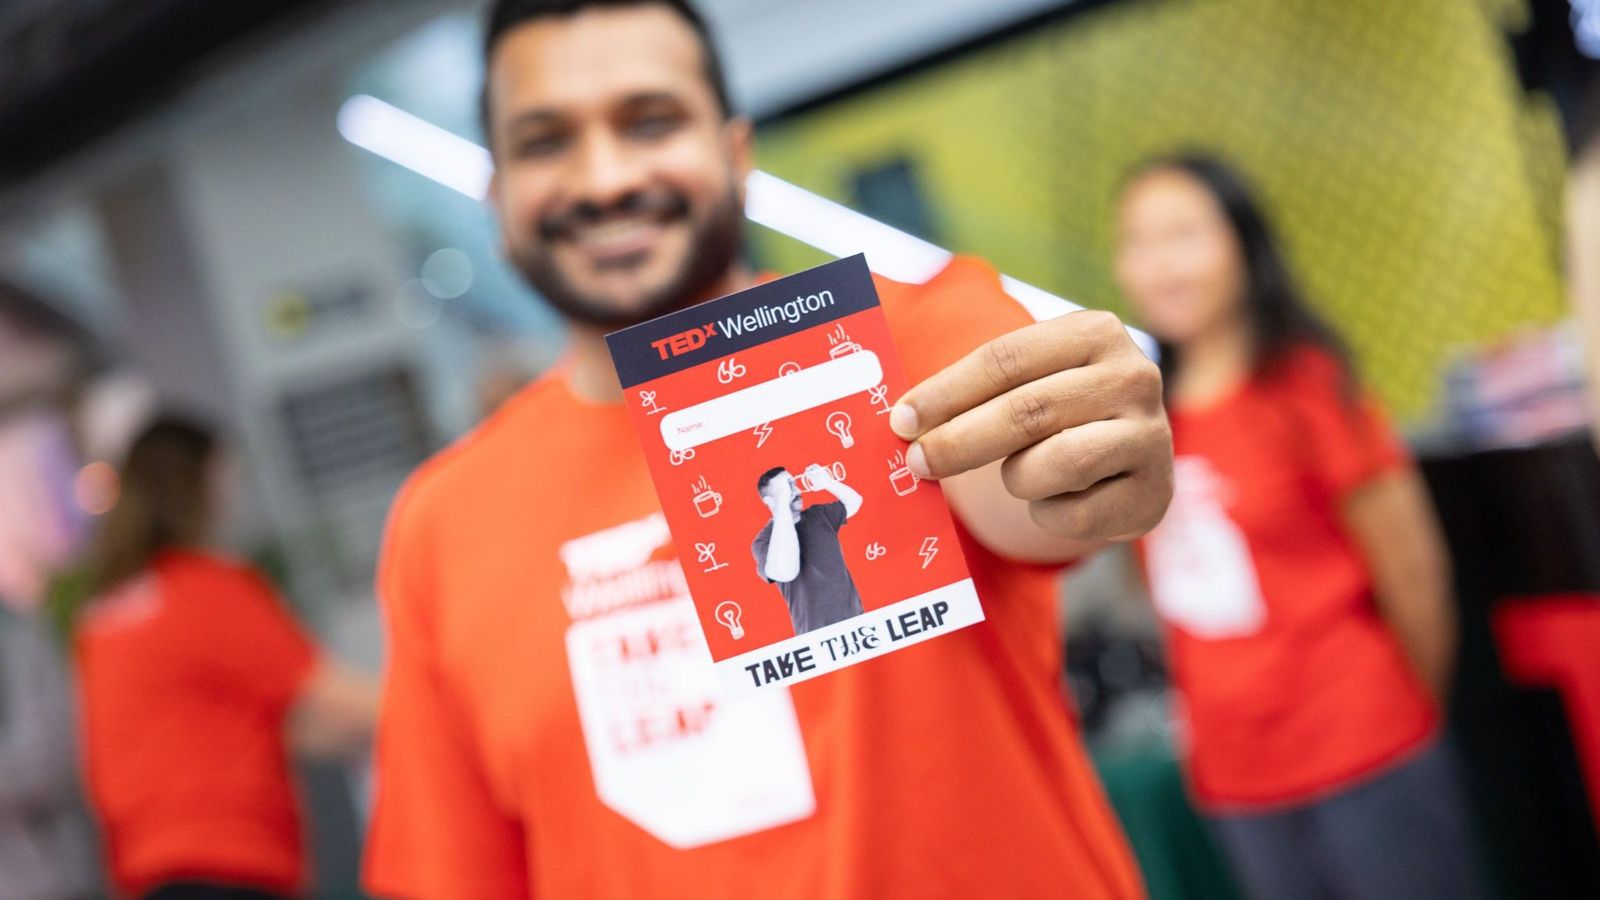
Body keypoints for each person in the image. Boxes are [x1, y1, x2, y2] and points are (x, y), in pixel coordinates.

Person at [362, 1, 1173, 897]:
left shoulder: (906, 338)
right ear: (497, 197)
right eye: (546, 141)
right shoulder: (442, 527)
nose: (603, 178)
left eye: (651, 121)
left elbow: (1017, 486)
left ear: (736, 151)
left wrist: (1079, 463)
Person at [1114, 153, 1484, 899]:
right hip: (1237, 778)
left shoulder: (1305, 387)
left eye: (1183, 234)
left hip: (1363, 746)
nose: (1159, 265)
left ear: (1243, 245)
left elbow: (1414, 574)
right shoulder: (1139, 414)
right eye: (1137, 241)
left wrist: (1397, 717)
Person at [73, 417, 380, 900]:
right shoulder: (202, 590)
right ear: (197, 486)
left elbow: (282, 725)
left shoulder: (106, 615)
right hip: (224, 862)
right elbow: (336, 700)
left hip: (151, 873)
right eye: (228, 480)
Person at [752, 464, 863, 633]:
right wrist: (782, 502)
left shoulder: (818, 514)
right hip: (814, 632)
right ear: (770, 501)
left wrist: (828, 483)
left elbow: (855, 502)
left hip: (856, 620)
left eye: (793, 484)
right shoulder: (764, 540)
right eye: (786, 488)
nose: (795, 491)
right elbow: (786, 571)